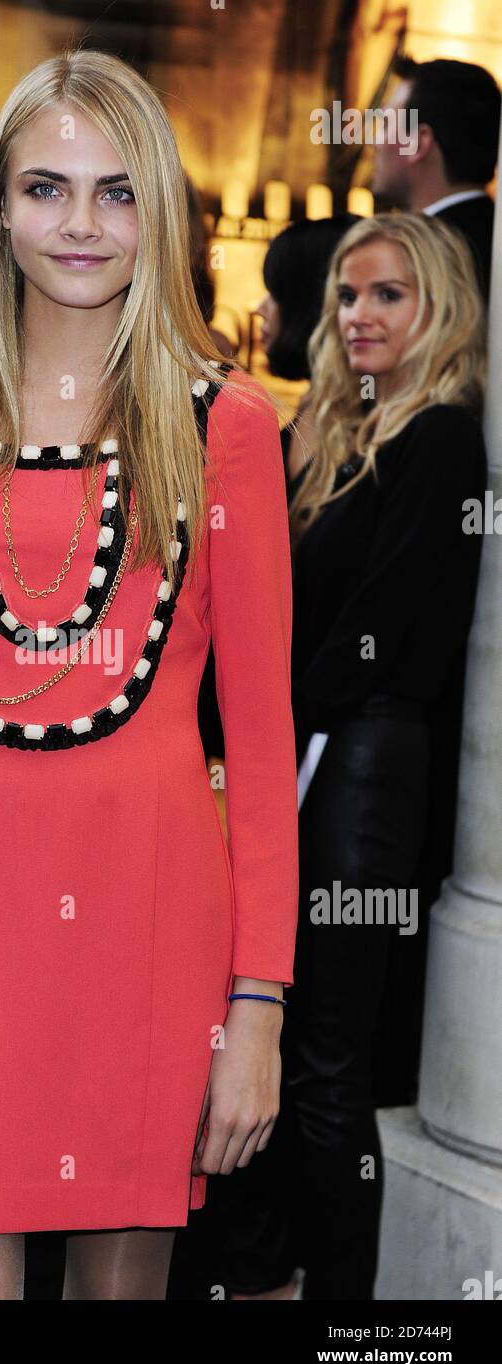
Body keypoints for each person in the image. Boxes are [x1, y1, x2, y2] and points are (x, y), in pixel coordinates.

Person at [0, 48, 299, 1301]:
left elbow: (260, 747)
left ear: (160, 211)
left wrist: (258, 1007)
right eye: (46, 188)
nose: (80, 224)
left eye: (116, 190)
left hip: (148, 940)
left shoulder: (223, 427)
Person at [209, 212, 488, 1300]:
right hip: (302, 749)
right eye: (347, 296)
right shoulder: (323, 430)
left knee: (327, 1052)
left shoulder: (440, 440)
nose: (360, 316)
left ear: (439, 312)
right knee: (259, 1022)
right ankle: (259, 1267)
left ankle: (328, 1296)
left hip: (365, 765)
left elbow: (389, 629)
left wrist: (262, 727)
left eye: (388, 296)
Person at [198, 215, 360, 767]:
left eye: (278, 291)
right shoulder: (282, 424)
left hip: (318, 745)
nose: (262, 310)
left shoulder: (370, 445)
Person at [372, 55, 501, 301]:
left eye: (386, 125)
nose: (373, 142)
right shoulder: (489, 238)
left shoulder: (425, 256)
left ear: (418, 142)